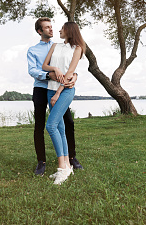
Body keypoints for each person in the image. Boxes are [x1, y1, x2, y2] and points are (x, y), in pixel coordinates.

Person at [27, 18, 83, 177]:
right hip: (41, 87)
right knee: (39, 124)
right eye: (47, 27)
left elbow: (69, 67)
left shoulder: (61, 46)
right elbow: (32, 70)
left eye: (52, 27)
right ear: (40, 31)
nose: (52, 30)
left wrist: (74, 76)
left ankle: (70, 158)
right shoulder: (33, 50)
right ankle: (41, 162)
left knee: (67, 123)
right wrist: (49, 74)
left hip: (59, 88)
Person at [42, 21, 86, 185]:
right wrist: (55, 69)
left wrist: (58, 93)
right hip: (50, 90)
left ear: (69, 30)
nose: (59, 30)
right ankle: (67, 166)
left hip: (65, 91)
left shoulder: (78, 48)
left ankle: (62, 168)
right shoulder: (55, 46)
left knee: (51, 126)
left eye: (62, 28)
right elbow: (44, 66)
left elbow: (70, 73)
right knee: (60, 128)